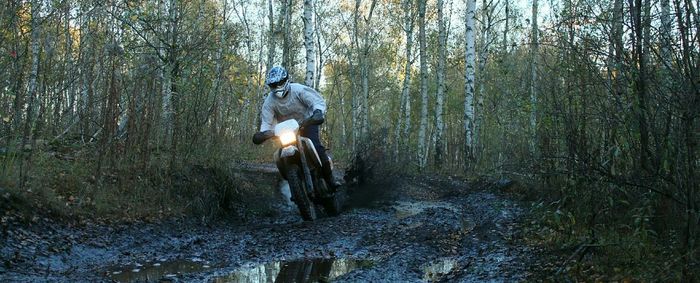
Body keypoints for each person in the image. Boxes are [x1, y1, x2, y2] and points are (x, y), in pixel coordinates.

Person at [252, 66, 340, 189]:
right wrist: (263, 134)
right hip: (286, 130)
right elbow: (266, 122)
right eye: (273, 85)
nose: (277, 87)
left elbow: (316, 101)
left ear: (286, 80)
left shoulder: (299, 90)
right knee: (280, 154)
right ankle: (294, 184)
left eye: (280, 83)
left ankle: (330, 179)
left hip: (307, 124)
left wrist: (318, 112)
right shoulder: (269, 102)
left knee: (316, 146)